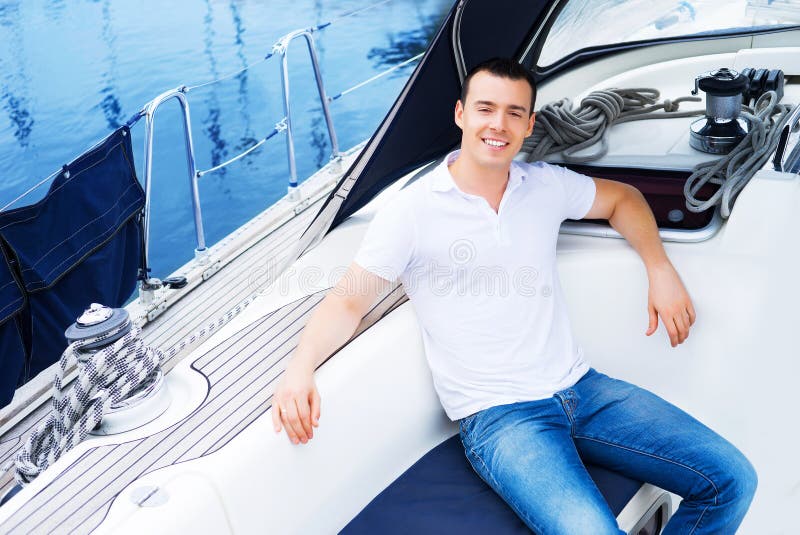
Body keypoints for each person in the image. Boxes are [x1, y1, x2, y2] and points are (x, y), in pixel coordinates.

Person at [271, 58, 757, 534]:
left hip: (582, 390)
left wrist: (660, 269)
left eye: (513, 113)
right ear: (461, 114)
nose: (497, 124)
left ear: (529, 125)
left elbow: (623, 199)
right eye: (485, 109)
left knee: (731, 480)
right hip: (502, 418)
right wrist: (300, 369)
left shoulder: (543, 186)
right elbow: (348, 300)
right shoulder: (413, 212)